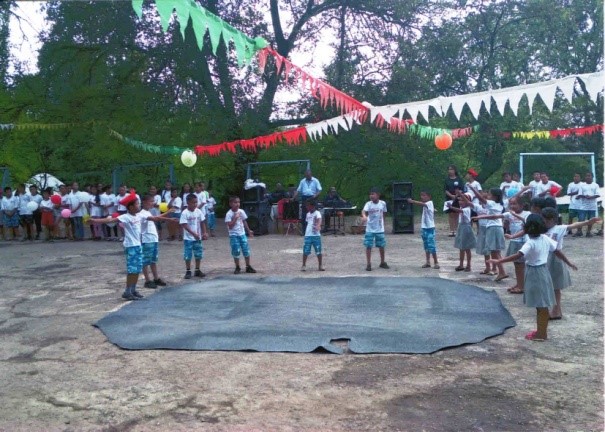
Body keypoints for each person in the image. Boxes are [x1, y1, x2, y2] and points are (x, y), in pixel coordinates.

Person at [488, 214, 576, 341]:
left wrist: (499, 262)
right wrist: (568, 263)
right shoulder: (545, 238)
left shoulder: (530, 243)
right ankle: (541, 330)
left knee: (541, 305)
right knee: (541, 304)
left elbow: (517, 256)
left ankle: (542, 334)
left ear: (525, 229)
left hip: (535, 273)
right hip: (543, 271)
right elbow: (557, 251)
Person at [541, 207, 601, 320]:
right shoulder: (541, 229)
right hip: (544, 258)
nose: (545, 222)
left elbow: (574, 225)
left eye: (548, 220)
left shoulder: (559, 228)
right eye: (543, 219)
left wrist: (588, 222)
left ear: (554, 220)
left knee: (556, 286)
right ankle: (553, 309)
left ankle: (556, 310)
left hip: (555, 259)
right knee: (547, 285)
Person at [89, 192, 146, 300]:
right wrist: (95, 220)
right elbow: (110, 220)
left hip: (138, 245)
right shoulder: (126, 217)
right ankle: (127, 291)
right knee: (132, 270)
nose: (139, 206)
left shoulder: (138, 216)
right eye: (137, 204)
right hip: (131, 246)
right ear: (131, 207)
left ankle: (133, 289)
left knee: (137, 269)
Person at [468, 185, 508, 281]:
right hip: (498, 228)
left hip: (493, 228)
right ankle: (501, 271)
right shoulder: (500, 204)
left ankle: (501, 271)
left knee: (494, 251)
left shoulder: (492, 203)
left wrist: (473, 189)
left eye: (489, 194)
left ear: (494, 196)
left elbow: (480, 198)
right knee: (496, 251)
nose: (487, 195)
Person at [139, 194, 173, 289]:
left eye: (153, 201)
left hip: (153, 239)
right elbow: (156, 218)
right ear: (144, 202)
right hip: (147, 239)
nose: (153, 203)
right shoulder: (142, 213)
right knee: (146, 260)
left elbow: (156, 217)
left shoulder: (148, 212)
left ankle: (156, 278)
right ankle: (147, 280)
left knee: (153, 260)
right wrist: (168, 214)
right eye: (151, 201)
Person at [502, 196, 531, 294]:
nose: (512, 206)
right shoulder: (509, 214)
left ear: (522, 205)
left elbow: (526, 221)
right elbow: (497, 217)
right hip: (514, 241)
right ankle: (519, 283)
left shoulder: (527, 214)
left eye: (515, 204)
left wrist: (514, 215)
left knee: (520, 265)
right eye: (511, 204)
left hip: (522, 242)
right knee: (516, 264)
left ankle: (521, 286)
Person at [225, 196, 256, 274]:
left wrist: (249, 231)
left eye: (238, 202)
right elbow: (230, 226)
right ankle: (237, 267)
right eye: (235, 202)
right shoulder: (229, 214)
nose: (237, 204)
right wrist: (235, 218)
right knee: (236, 251)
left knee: (246, 250)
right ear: (230, 204)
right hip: (234, 235)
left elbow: (244, 221)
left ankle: (248, 266)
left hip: (242, 234)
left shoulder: (241, 211)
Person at [180, 193, 208, 279]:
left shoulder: (198, 211)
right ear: (188, 202)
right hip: (188, 238)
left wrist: (204, 232)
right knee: (188, 255)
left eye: (196, 202)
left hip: (197, 238)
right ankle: (188, 270)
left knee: (198, 254)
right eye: (193, 202)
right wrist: (193, 234)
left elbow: (202, 222)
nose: (195, 204)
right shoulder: (185, 213)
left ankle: (197, 270)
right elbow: (184, 225)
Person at [408, 191, 439, 269]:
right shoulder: (427, 205)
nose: (422, 197)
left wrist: (413, 201)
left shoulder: (429, 203)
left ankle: (436, 262)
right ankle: (428, 262)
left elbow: (423, 204)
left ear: (429, 196)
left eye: (424, 195)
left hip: (430, 228)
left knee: (431, 246)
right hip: (424, 228)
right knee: (426, 246)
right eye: (421, 195)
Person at [447, 193, 476, 271]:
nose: (460, 202)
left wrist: (451, 207)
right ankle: (461, 264)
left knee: (467, 248)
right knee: (461, 247)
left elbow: (460, 211)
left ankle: (468, 265)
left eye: (463, 200)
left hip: (466, 228)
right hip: (461, 227)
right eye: (460, 200)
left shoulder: (467, 208)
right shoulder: (462, 207)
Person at [362, 187, 389, 271]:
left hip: (379, 229)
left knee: (381, 245)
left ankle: (382, 262)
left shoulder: (382, 203)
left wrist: (383, 223)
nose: (371, 196)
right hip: (370, 228)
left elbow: (384, 213)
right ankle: (368, 264)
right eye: (370, 194)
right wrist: (364, 216)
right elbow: (363, 211)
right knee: (368, 246)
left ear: (378, 195)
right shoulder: (368, 204)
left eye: (373, 194)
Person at [301, 199, 325, 271]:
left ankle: (320, 265)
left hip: (316, 236)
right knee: (305, 251)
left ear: (313, 206)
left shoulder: (317, 213)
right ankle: (303, 265)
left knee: (318, 251)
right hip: (308, 235)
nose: (306, 207)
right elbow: (308, 223)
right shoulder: (308, 214)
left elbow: (319, 219)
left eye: (308, 206)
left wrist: (318, 225)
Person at [576, 172, 600, 237]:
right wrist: (585, 196)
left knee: (591, 220)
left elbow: (597, 195)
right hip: (583, 206)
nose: (588, 177)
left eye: (589, 176)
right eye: (586, 176)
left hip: (592, 206)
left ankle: (588, 232)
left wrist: (591, 197)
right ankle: (579, 231)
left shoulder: (596, 185)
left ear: (592, 177)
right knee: (581, 219)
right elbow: (580, 194)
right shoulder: (582, 185)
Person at [444, 165, 465, 236]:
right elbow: (445, 190)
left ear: (455, 170)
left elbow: (462, 189)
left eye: (451, 169)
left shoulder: (459, 179)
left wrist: (456, 196)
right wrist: (451, 196)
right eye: (449, 169)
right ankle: (451, 230)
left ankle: (456, 230)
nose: (450, 171)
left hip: (458, 198)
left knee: (456, 213)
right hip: (449, 198)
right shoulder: (447, 179)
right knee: (450, 214)